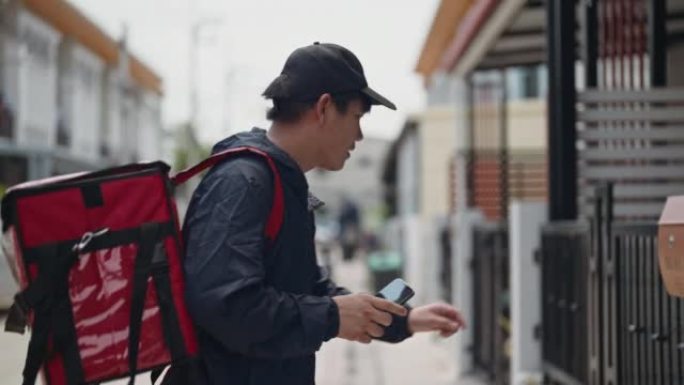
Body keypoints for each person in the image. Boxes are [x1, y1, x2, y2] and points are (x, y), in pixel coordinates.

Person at [182, 42, 466, 385]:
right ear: (325, 108)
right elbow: (226, 304)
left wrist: (402, 321)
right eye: (357, 118)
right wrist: (330, 316)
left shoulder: (284, 183)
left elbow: (310, 291)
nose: (359, 135)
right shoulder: (243, 181)